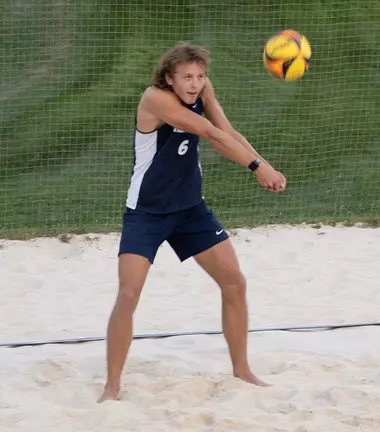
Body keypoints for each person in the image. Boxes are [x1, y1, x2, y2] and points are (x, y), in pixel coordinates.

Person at [98, 42, 287, 402]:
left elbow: (226, 130)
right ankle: (111, 386)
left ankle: (242, 370)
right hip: (147, 213)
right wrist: (257, 168)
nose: (195, 84)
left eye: (200, 76)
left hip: (190, 210)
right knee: (128, 294)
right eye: (187, 77)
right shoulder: (155, 99)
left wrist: (266, 163)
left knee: (235, 284)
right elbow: (211, 135)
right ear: (169, 78)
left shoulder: (204, 91)